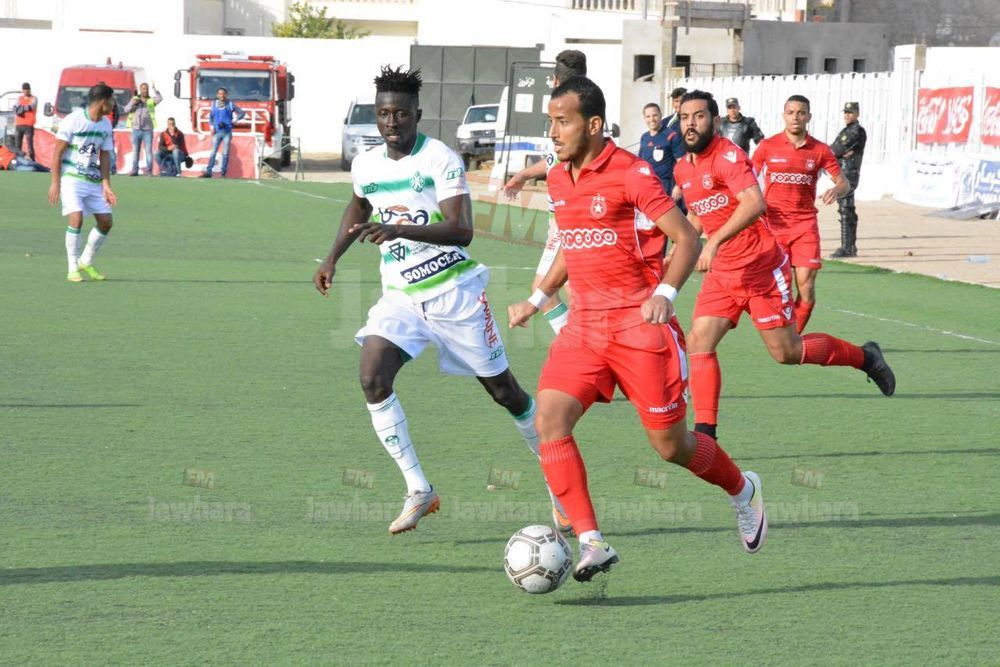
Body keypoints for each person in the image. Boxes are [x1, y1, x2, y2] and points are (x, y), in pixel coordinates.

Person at [507, 76, 768, 583]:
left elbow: (687, 238)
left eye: (562, 122)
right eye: (550, 122)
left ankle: (743, 490)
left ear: (594, 125)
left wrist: (664, 294)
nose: (553, 132)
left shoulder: (632, 173)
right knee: (550, 420)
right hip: (585, 326)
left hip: (640, 327)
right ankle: (592, 541)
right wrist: (538, 299)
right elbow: (574, 244)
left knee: (672, 447)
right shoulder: (558, 176)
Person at [313, 65, 566, 535]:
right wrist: (332, 257)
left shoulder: (439, 159)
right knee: (372, 377)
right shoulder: (366, 164)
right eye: (384, 114)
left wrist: (398, 229)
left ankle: (561, 489)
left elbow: (462, 230)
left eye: (401, 114)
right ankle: (418, 488)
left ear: (417, 114)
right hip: (401, 298)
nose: (392, 122)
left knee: (506, 394)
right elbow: (359, 204)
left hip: (456, 295)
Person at [673, 90, 895, 444]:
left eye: (698, 116)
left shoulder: (729, 156)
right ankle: (706, 435)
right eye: (685, 117)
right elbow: (698, 215)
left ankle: (865, 358)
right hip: (724, 273)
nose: (690, 123)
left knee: (786, 352)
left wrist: (713, 243)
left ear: (714, 122)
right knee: (699, 340)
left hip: (760, 266)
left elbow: (754, 203)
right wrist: (679, 247)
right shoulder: (683, 168)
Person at [502, 50, 588, 340]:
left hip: (572, 216)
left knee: (569, 293)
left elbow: (571, 161)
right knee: (547, 290)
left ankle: (585, 350)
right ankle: (577, 346)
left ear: (554, 80)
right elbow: (555, 159)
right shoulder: (575, 107)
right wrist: (525, 174)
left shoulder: (571, 109)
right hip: (562, 217)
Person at [751, 95, 851, 333]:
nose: (795, 117)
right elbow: (747, 178)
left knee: (806, 289)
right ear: (783, 116)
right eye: (791, 112)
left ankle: (793, 339)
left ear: (809, 117)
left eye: (801, 113)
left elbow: (844, 183)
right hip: (774, 226)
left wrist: (836, 190)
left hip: (805, 226)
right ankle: (782, 336)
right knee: (779, 287)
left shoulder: (820, 150)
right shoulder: (767, 146)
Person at [47, 83, 118, 283]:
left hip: (93, 180)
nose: (114, 104)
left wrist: (106, 185)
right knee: (76, 219)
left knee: (106, 222)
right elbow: (57, 153)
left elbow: (105, 155)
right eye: (112, 100)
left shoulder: (105, 125)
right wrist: (55, 183)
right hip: (71, 178)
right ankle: (72, 268)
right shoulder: (73, 120)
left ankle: (85, 261)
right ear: (103, 102)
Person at [829, 102, 867, 258]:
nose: (847, 115)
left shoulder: (855, 131)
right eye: (845, 112)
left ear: (857, 114)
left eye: (850, 112)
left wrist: (834, 152)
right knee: (846, 208)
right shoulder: (847, 130)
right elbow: (836, 150)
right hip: (844, 171)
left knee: (846, 208)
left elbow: (836, 149)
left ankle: (848, 247)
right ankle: (849, 246)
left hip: (849, 172)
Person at [637, 102, 685, 203]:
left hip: (666, 187)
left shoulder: (672, 135)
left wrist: (678, 185)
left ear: (660, 115)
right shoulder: (644, 137)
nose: (652, 119)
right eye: (648, 116)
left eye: (654, 115)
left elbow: (682, 163)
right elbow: (640, 164)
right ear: (644, 118)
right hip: (647, 186)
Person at [201, 87, 246, 178]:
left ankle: (223, 173)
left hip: (227, 132)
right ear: (217, 95)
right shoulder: (214, 104)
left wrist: (235, 120)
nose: (222, 95)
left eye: (223, 93)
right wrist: (211, 126)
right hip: (217, 132)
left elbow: (242, 113)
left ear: (226, 95)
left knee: (225, 153)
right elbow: (211, 117)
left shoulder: (230, 104)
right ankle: (209, 172)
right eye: (220, 93)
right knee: (213, 152)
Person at [123, 82, 162, 176]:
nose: (145, 90)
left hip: (147, 129)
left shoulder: (151, 101)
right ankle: (134, 170)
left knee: (148, 151)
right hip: (136, 129)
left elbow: (160, 98)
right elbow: (126, 109)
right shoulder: (135, 99)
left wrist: (155, 90)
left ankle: (149, 171)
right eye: (144, 89)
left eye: (146, 89)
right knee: (135, 151)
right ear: (140, 90)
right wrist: (133, 103)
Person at [14, 82, 37, 161]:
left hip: (29, 125)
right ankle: (18, 161)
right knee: (17, 146)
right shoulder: (19, 98)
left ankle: (33, 161)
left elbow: (31, 107)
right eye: (24, 89)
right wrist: (19, 109)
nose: (26, 91)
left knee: (30, 146)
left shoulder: (34, 98)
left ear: (30, 90)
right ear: (22, 90)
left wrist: (20, 108)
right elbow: (15, 107)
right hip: (19, 125)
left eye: (27, 89)